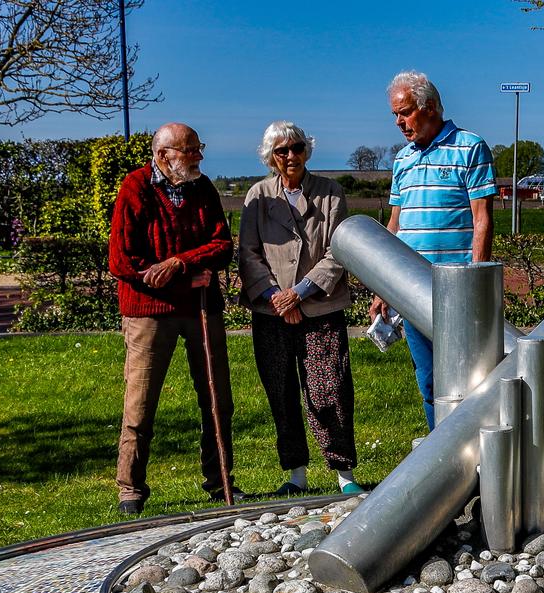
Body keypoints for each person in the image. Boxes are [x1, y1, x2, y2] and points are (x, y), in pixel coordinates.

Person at [107, 121, 246, 516]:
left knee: (217, 397)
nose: (199, 156)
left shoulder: (202, 188)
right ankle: (130, 487)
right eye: (191, 150)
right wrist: (185, 275)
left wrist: (179, 263)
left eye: (198, 147)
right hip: (148, 312)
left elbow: (221, 245)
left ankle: (220, 480)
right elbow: (122, 260)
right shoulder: (136, 187)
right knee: (141, 401)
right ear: (163, 155)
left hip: (202, 307)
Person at [366, 70, 496, 429]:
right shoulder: (403, 159)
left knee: (470, 382)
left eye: (404, 112)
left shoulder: (470, 147)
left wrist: (475, 280)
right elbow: (396, 224)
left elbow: (482, 220)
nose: (399, 122)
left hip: (457, 288)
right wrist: (383, 286)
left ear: (431, 107)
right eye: (395, 115)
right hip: (411, 288)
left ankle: (478, 460)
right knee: (429, 381)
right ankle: (440, 463)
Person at [238, 121, 362, 497]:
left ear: (307, 150)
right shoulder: (257, 195)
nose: (290, 156)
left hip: (320, 308)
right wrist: (277, 295)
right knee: (282, 391)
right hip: (271, 312)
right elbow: (248, 253)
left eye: (296, 148)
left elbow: (338, 250)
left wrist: (300, 293)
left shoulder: (330, 192)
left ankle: (343, 473)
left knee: (331, 391)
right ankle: (296, 474)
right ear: (270, 157)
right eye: (282, 151)